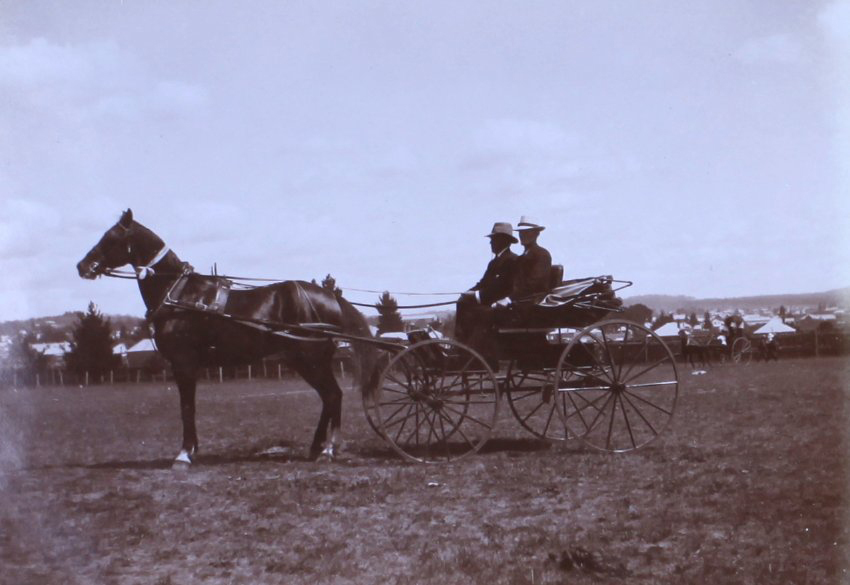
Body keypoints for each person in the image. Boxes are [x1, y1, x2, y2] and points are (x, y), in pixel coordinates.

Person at [455, 222, 518, 364]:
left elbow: (501, 288)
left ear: (503, 240)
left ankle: (472, 353)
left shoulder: (512, 261)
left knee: (480, 313)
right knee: (462, 302)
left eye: (493, 239)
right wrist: (469, 292)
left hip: (501, 307)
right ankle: (462, 345)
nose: (490, 242)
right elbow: (483, 283)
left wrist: (476, 295)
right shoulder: (494, 262)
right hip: (489, 302)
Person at [510, 216, 552, 302]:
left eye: (527, 232)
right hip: (520, 300)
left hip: (534, 302)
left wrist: (509, 299)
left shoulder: (542, 255)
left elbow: (533, 284)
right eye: (521, 232)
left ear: (537, 234)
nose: (522, 235)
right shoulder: (520, 258)